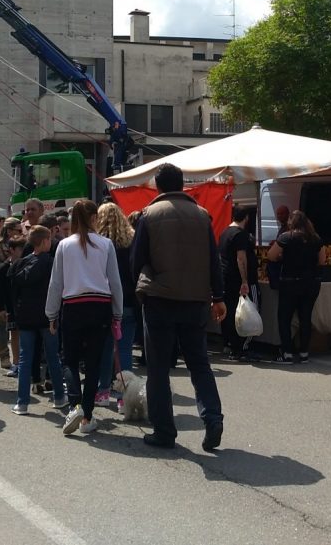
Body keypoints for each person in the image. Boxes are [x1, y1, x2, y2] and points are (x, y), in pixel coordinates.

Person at [131, 163, 226, 451]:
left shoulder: (149, 215)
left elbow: (136, 260)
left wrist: (139, 290)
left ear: (157, 186)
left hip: (159, 299)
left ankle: (164, 431)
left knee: (158, 369)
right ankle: (213, 417)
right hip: (196, 300)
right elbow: (214, 260)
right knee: (199, 364)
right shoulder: (202, 215)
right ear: (182, 184)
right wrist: (218, 296)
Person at [45, 199, 123, 436]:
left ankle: (75, 405)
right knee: (93, 363)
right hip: (100, 306)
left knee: (69, 360)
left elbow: (56, 282)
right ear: (93, 218)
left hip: (73, 306)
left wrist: (51, 313)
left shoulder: (64, 245)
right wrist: (117, 313)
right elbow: (115, 282)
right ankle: (87, 416)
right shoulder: (106, 244)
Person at [10, 225, 66, 414]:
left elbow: (14, 292)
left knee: (25, 359)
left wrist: (16, 313)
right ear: (44, 241)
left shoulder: (20, 264)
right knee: (52, 357)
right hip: (48, 316)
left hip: (25, 317)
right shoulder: (51, 263)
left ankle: (22, 402)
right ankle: (59, 397)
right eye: (49, 239)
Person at [268, 209, 328, 365]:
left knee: (285, 318)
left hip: (290, 282)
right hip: (310, 283)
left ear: (291, 222)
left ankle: (287, 353)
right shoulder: (316, 239)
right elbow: (322, 260)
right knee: (305, 318)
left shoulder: (286, 237)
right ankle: (304, 353)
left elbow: (271, 255)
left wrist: (283, 257)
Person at [96, 202, 139, 378]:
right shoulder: (133, 240)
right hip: (129, 299)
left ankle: (104, 386)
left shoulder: (97, 242)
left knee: (104, 347)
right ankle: (124, 386)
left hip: (103, 300)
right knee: (125, 348)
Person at [218, 205, 259, 361]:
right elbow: (241, 258)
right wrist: (245, 280)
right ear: (246, 218)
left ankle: (230, 344)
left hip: (226, 277)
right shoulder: (240, 234)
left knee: (231, 312)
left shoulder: (225, 232)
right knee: (249, 310)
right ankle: (243, 347)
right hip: (238, 279)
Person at [0, 219, 24, 371]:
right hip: (3, 289)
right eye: (18, 230)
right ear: (9, 230)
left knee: (16, 329)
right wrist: (6, 264)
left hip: (16, 292)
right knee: (3, 325)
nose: (21, 232)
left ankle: (19, 359)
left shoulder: (21, 243)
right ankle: (4, 355)